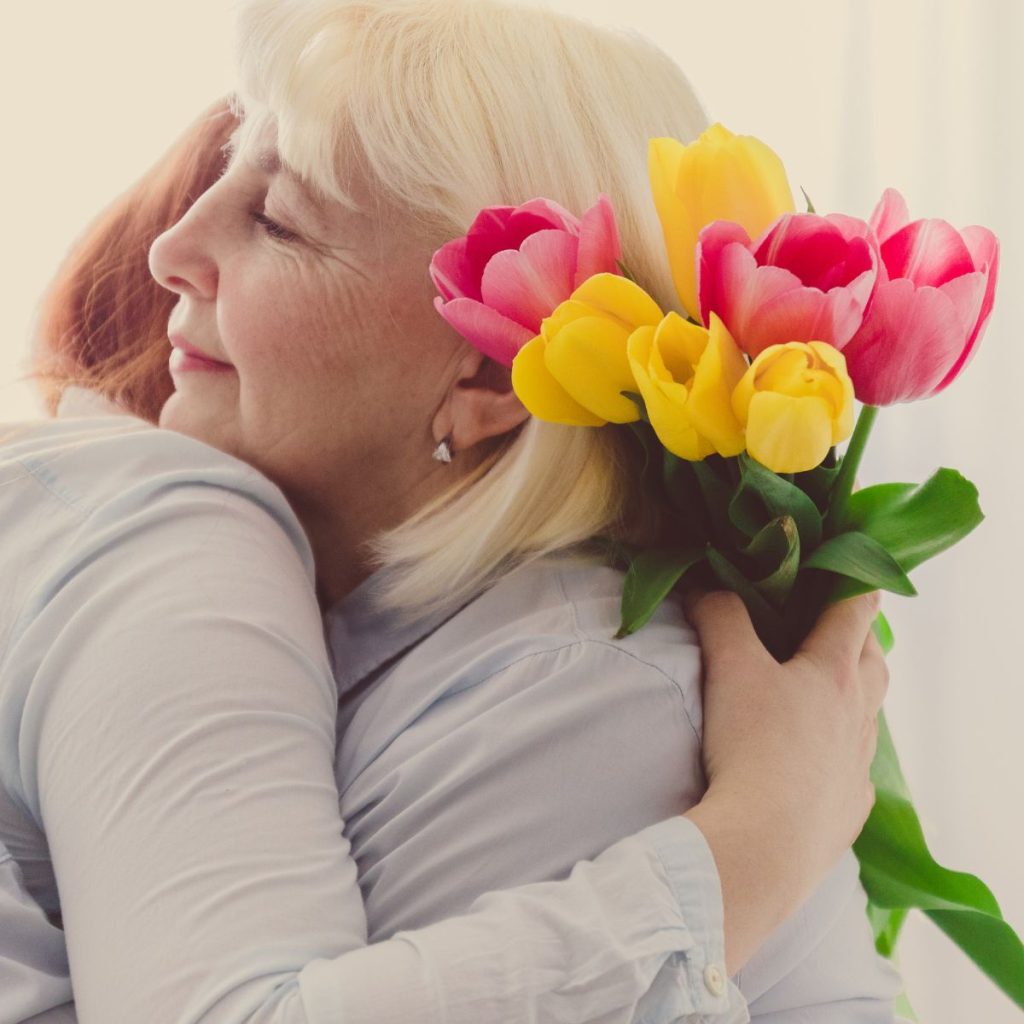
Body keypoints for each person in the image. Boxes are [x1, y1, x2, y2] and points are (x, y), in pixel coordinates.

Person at [2, 0, 903, 1020]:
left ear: (488, 367)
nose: (172, 244)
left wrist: (754, 838)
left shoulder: (575, 692)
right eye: (227, 170)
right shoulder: (356, 625)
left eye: (278, 220)